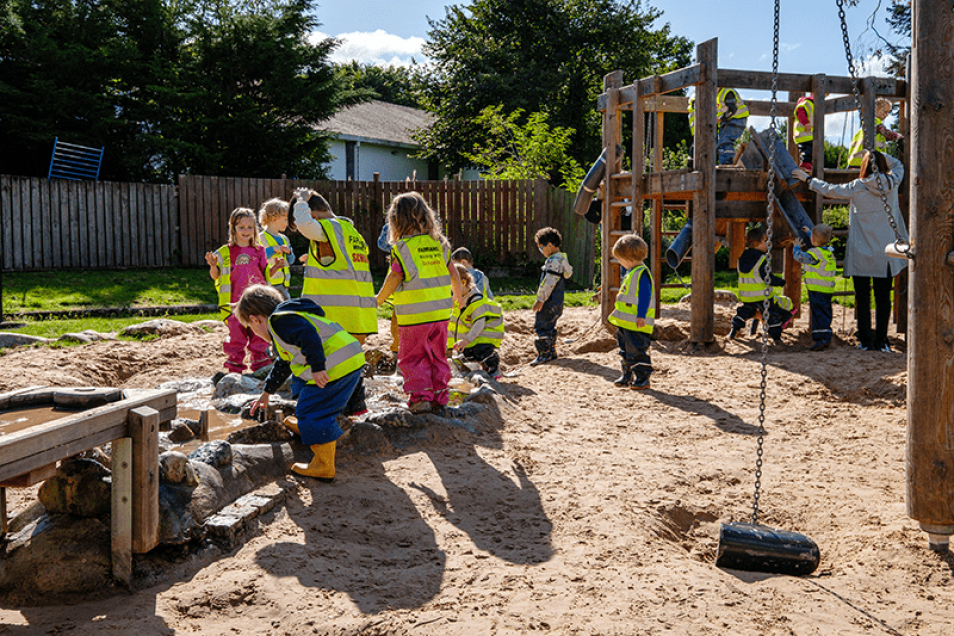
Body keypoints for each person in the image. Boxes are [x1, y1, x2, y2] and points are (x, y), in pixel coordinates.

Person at [241, 285, 364, 482]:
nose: (254, 332)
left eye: (251, 328)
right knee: (300, 382)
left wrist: (317, 366)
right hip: (350, 357)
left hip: (335, 363)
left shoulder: (279, 321)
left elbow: (309, 336)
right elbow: (283, 365)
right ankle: (308, 427)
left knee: (312, 410)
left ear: (255, 319)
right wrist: (266, 393)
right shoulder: (288, 322)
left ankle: (323, 465)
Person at [793, 150, 908, 351]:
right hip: (886, 253)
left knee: (862, 297)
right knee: (883, 298)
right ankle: (882, 341)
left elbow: (830, 189)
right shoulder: (892, 182)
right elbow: (898, 164)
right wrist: (877, 155)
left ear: (864, 167)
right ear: (882, 165)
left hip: (862, 252)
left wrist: (808, 179)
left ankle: (865, 340)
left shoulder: (858, 186)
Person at [290, 188, 377, 415]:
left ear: (315, 216)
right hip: (358, 314)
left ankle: (335, 408)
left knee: (334, 363)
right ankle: (357, 405)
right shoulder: (351, 232)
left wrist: (301, 200)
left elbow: (303, 224)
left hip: (335, 315)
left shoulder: (328, 228)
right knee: (352, 361)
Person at [376, 192, 464, 414]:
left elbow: (394, 278)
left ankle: (420, 397)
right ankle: (439, 395)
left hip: (414, 315)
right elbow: (453, 274)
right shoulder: (440, 244)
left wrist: (378, 300)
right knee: (437, 354)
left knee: (413, 357)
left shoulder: (403, 248)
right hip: (441, 313)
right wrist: (459, 298)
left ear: (396, 220)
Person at [205, 207, 279, 375]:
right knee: (237, 337)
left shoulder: (259, 251)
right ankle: (234, 370)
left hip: (257, 303)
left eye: (250, 227)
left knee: (259, 336)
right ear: (233, 229)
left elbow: (264, 275)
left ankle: (261, 368)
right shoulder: (224, 252)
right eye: (241, 227)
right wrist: (212, 265)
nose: (246, 231)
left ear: (255, 229)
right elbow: (215, 276)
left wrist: (275, 268)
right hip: (234, 304)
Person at [727, 226, 794, 344]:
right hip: (762, 296)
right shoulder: (762, 259)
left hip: (747, 296)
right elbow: (767, 277)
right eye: (765, 241)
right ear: (757, 243)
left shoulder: (742, 258)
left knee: (743, 313)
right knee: (772, 315)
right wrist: (780, 282)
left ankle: (733, 331)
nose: (768, 243)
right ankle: (777, 339)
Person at [607, 235, 654, 389]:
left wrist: (641, 315)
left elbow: (645, 297)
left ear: (629, 259)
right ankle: (627, 374)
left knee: (637, 350)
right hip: (626, 322)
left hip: (637, 322)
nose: (620, 262)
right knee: (625, 349)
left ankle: (642, 378)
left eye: (620, 259)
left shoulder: (642, 274)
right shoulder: (632, 272)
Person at [448, 264, 504, 377]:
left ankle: (493, 366)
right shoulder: (462, 299)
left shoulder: (476, 301)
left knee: (480, 351)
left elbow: (479, 324)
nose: (449, 292)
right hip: (473, 337)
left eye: (451, 288)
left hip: (485, 335)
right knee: (467, 354)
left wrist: (467, 340)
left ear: (463, 283)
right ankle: (482, 368)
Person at [531, 227, 574, 365]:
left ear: (549, 245)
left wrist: (540, 299)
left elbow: (548, 283)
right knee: (550, 326)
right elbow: (568, 273)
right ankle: (552, 351)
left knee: (541, 326)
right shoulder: (562, 259)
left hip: (548, 301)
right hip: (558, 301)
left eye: (541, 248)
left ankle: (544, 354)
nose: (541, 251)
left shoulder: (552, 262)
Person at [793, 223, 836, 351]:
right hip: (827, 288)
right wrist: (809, 233)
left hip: (817, 289)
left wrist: (796, 247)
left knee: (818, 312)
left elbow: (799, 257)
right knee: (825, 311)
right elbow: (818, 240)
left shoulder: (814, 254)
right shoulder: (828, 251)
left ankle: (822, 338)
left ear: (813, 240)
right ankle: (826, 335)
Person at [689, 88, 750, 165]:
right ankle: (724, 162)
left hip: (737, 119)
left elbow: (732, 109)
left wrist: (720, 119)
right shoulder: (710, 95)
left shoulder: (727, 92)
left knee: (725, 140)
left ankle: (726, 162)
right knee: (720, 141)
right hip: (727, 119)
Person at [846, 98, 903, 167]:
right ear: (878, 109)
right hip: (864, 162)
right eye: (885, 112)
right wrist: (898, 136)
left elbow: (882, 136)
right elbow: (885, 132)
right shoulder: (874, 121)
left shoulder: (867, 124)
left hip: (855, 162)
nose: (887, 115)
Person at [258, 198, 293, 300]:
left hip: (283, 284)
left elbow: (291, 260)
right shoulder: (260, 238)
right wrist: (272, 249)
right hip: (267, 283)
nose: (288, 222)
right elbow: (257, 257)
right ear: (274, 219)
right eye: (285, 219)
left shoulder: (285, 239)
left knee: (285, 309)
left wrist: (290, 252)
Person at [793, 94, 814, 172]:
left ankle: (807, 164)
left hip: (807, 134)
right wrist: (805, 123)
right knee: (807, 150)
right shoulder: (806, 103)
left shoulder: (811, 104)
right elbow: (800, 112)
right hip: (803, 134)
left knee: (809, 150)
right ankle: (804, 165)